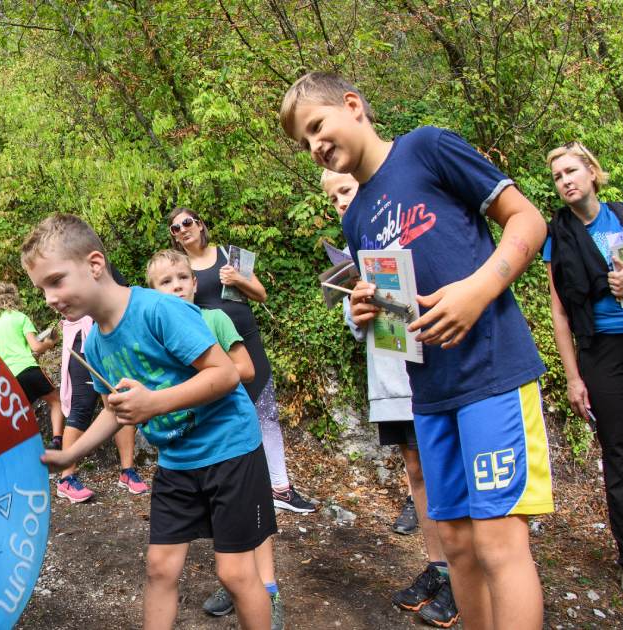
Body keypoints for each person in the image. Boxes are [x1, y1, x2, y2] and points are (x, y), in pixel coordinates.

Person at [282, 71, 551, 630]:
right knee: (456, 546)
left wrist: (478, 290)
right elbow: (399, 312)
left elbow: (528, 220)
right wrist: (370, 311)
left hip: (492, 370)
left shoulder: (428, 148)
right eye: (304, 143)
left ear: (352, 105)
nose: (314, 147)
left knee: (500, 544)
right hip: (427, 393)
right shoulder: (355, 218)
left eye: (316, 127)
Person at [28, 214, 279, 630]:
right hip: (177, 462)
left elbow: (226, 374)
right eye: (42, 289)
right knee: (160, 569)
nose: (50, 298)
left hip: (229, 449)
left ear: (94, 264)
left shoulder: (159, 310)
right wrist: (72, 452)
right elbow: (115, 408)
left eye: (56, 281)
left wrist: (155, 403)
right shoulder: (93, 343)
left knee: (235, 574)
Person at [323, 169, 456, 625]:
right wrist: (357, 307)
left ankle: (464, 573)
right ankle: (439, 566)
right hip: (390, 379)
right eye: (333, 197)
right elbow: (353, 323)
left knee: (444, 471)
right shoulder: (353, 253)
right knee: (416, 471)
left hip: (432, 372)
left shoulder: (409, 226)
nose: (341, 202)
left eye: (346, 191)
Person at [145, 249, 285, 625]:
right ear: (152, 293)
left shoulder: (215, 318)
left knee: (239, 558)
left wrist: (204, 379)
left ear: (194, 283)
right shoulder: (155, 333)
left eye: (181, 279)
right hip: (186, 452)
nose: (175, 287)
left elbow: (245, 368)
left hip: (230, 443)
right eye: (164, 282)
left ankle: (266, 593)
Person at [542, 141, 623, 602]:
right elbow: (560, 312)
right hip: (600, 351)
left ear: (592, 172)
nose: (565, 180)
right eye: (557, 176)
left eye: (571, 171)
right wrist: (573, 377)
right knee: (617, 454)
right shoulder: (558, 234)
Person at [167, 207, 316, 514]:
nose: (182, 229)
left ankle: (280, 489)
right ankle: (229, 490)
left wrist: (237, 278)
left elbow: (260, 294)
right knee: (223, 416)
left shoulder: (227, 255)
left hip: (246, 338)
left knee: (266, 412)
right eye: (175, 228)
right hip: (211, 347)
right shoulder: (179, 267)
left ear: (200, 223)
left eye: (187, 222)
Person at [0, 283, 75, 498]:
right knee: (56, 401)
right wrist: (50, 343)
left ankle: (25, 458)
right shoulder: (20, 317)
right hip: (28, 368)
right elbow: (34, 347)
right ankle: (57, 439)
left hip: (8, 377)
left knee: (23, 414)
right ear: (13, 297)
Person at [57, 314, 149, 502]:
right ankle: (66, 478)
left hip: (112, 334)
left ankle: (127, 471)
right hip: (82, 337)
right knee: (82, 406)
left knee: (121, 398)